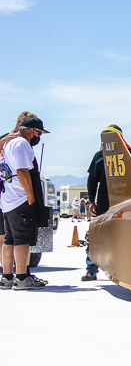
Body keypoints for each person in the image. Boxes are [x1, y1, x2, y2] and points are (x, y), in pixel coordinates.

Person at [83, 125, 131, 281]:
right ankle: (91, 268)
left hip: (125, 202)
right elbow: (92, 180)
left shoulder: (129, 154)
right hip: (105, 202)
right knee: (97, 235)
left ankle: (125, 267)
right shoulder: (99, 155)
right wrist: (91, 200)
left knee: (123, 234)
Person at [1, 116, 49, 290]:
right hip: (20, 198)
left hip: (7, 199)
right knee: (23, 239)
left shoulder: (6, 144)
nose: (39, 137)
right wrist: (31, 195)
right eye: (39, 133)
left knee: (9, 239)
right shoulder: (21, 144)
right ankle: (21, 277)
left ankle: (6, 277)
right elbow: (22, 170)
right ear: (30, 131)